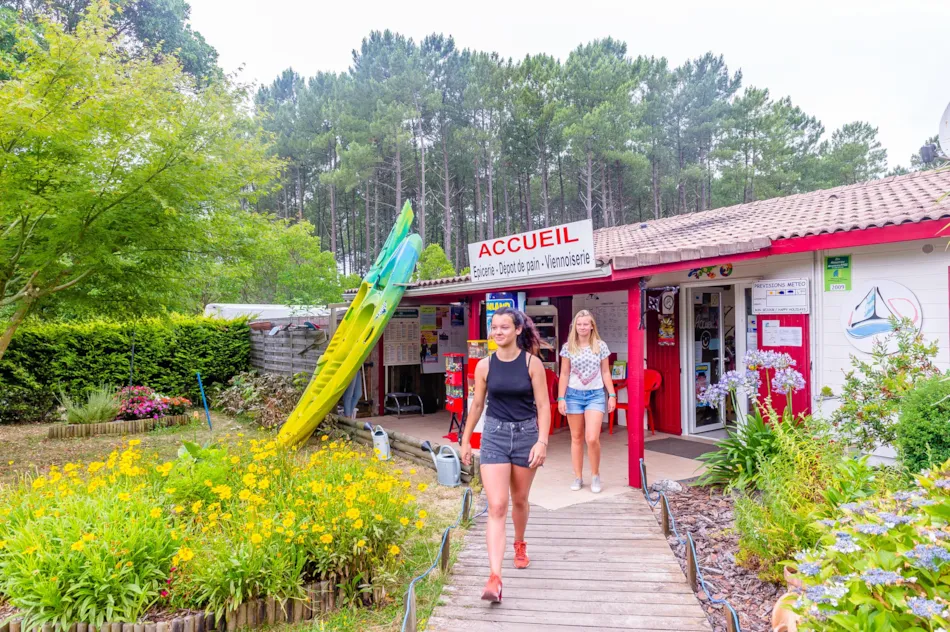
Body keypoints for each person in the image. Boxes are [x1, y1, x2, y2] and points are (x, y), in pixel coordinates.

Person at [461, 307, 550, 603]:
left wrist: (542, 442)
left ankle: (520, 543)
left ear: (518, 330)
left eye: (504, 327)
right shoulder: (484, 366)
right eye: (494, 328)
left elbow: (544, 406)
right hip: (495, 437)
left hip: (526, 437)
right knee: (497, 505)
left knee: (520, 499)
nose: (498, 332)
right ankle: (495, 576)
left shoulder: (532, 364)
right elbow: (476, 406)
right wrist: (465, 440)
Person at [557, 310, 616, 494]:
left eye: (586, 324)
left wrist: (612, 394)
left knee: (592, 438)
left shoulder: (600, 346)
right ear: (575, 326)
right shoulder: (568, 346)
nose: (582, 327)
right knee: (576, 438)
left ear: (592, 326)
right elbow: (564, 373)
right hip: (573, 395)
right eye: (579, 324)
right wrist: (561, 397)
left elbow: (606, 372)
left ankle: (596, 475)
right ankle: (578, 476)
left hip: (595, 395)